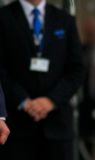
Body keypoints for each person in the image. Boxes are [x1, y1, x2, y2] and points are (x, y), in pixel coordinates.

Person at [0, 0, 84, 160]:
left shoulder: (64, 19)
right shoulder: (4, 18)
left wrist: (51, 101)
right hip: (16, 127)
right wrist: (23, 101)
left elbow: (77, 70)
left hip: (58, 126)